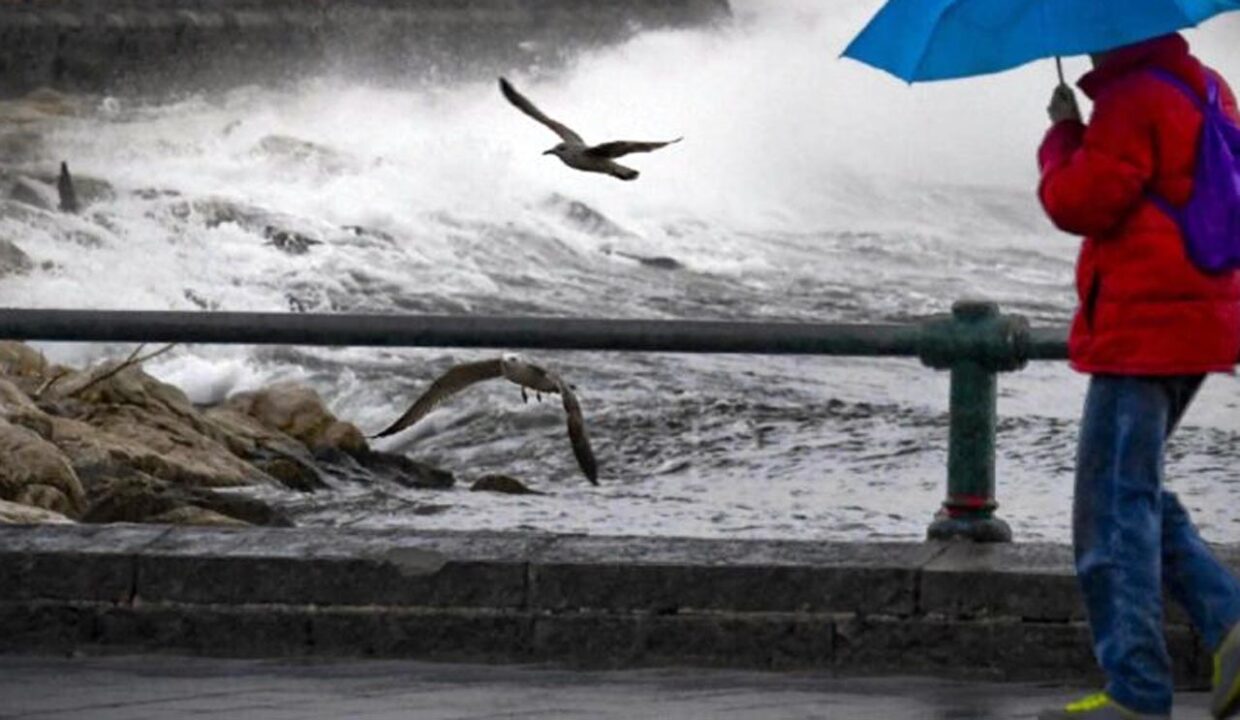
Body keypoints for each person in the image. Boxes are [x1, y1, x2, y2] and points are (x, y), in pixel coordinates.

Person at [1035, 33, 1240, 720]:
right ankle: (1232, 626)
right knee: (1132, 490)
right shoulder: (1207, 84)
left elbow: (1080, 204)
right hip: (1201, 318)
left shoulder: (1131, 98)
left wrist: (1063, 137)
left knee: (1110, 513)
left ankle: (1136, 690)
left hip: (1144, 328)